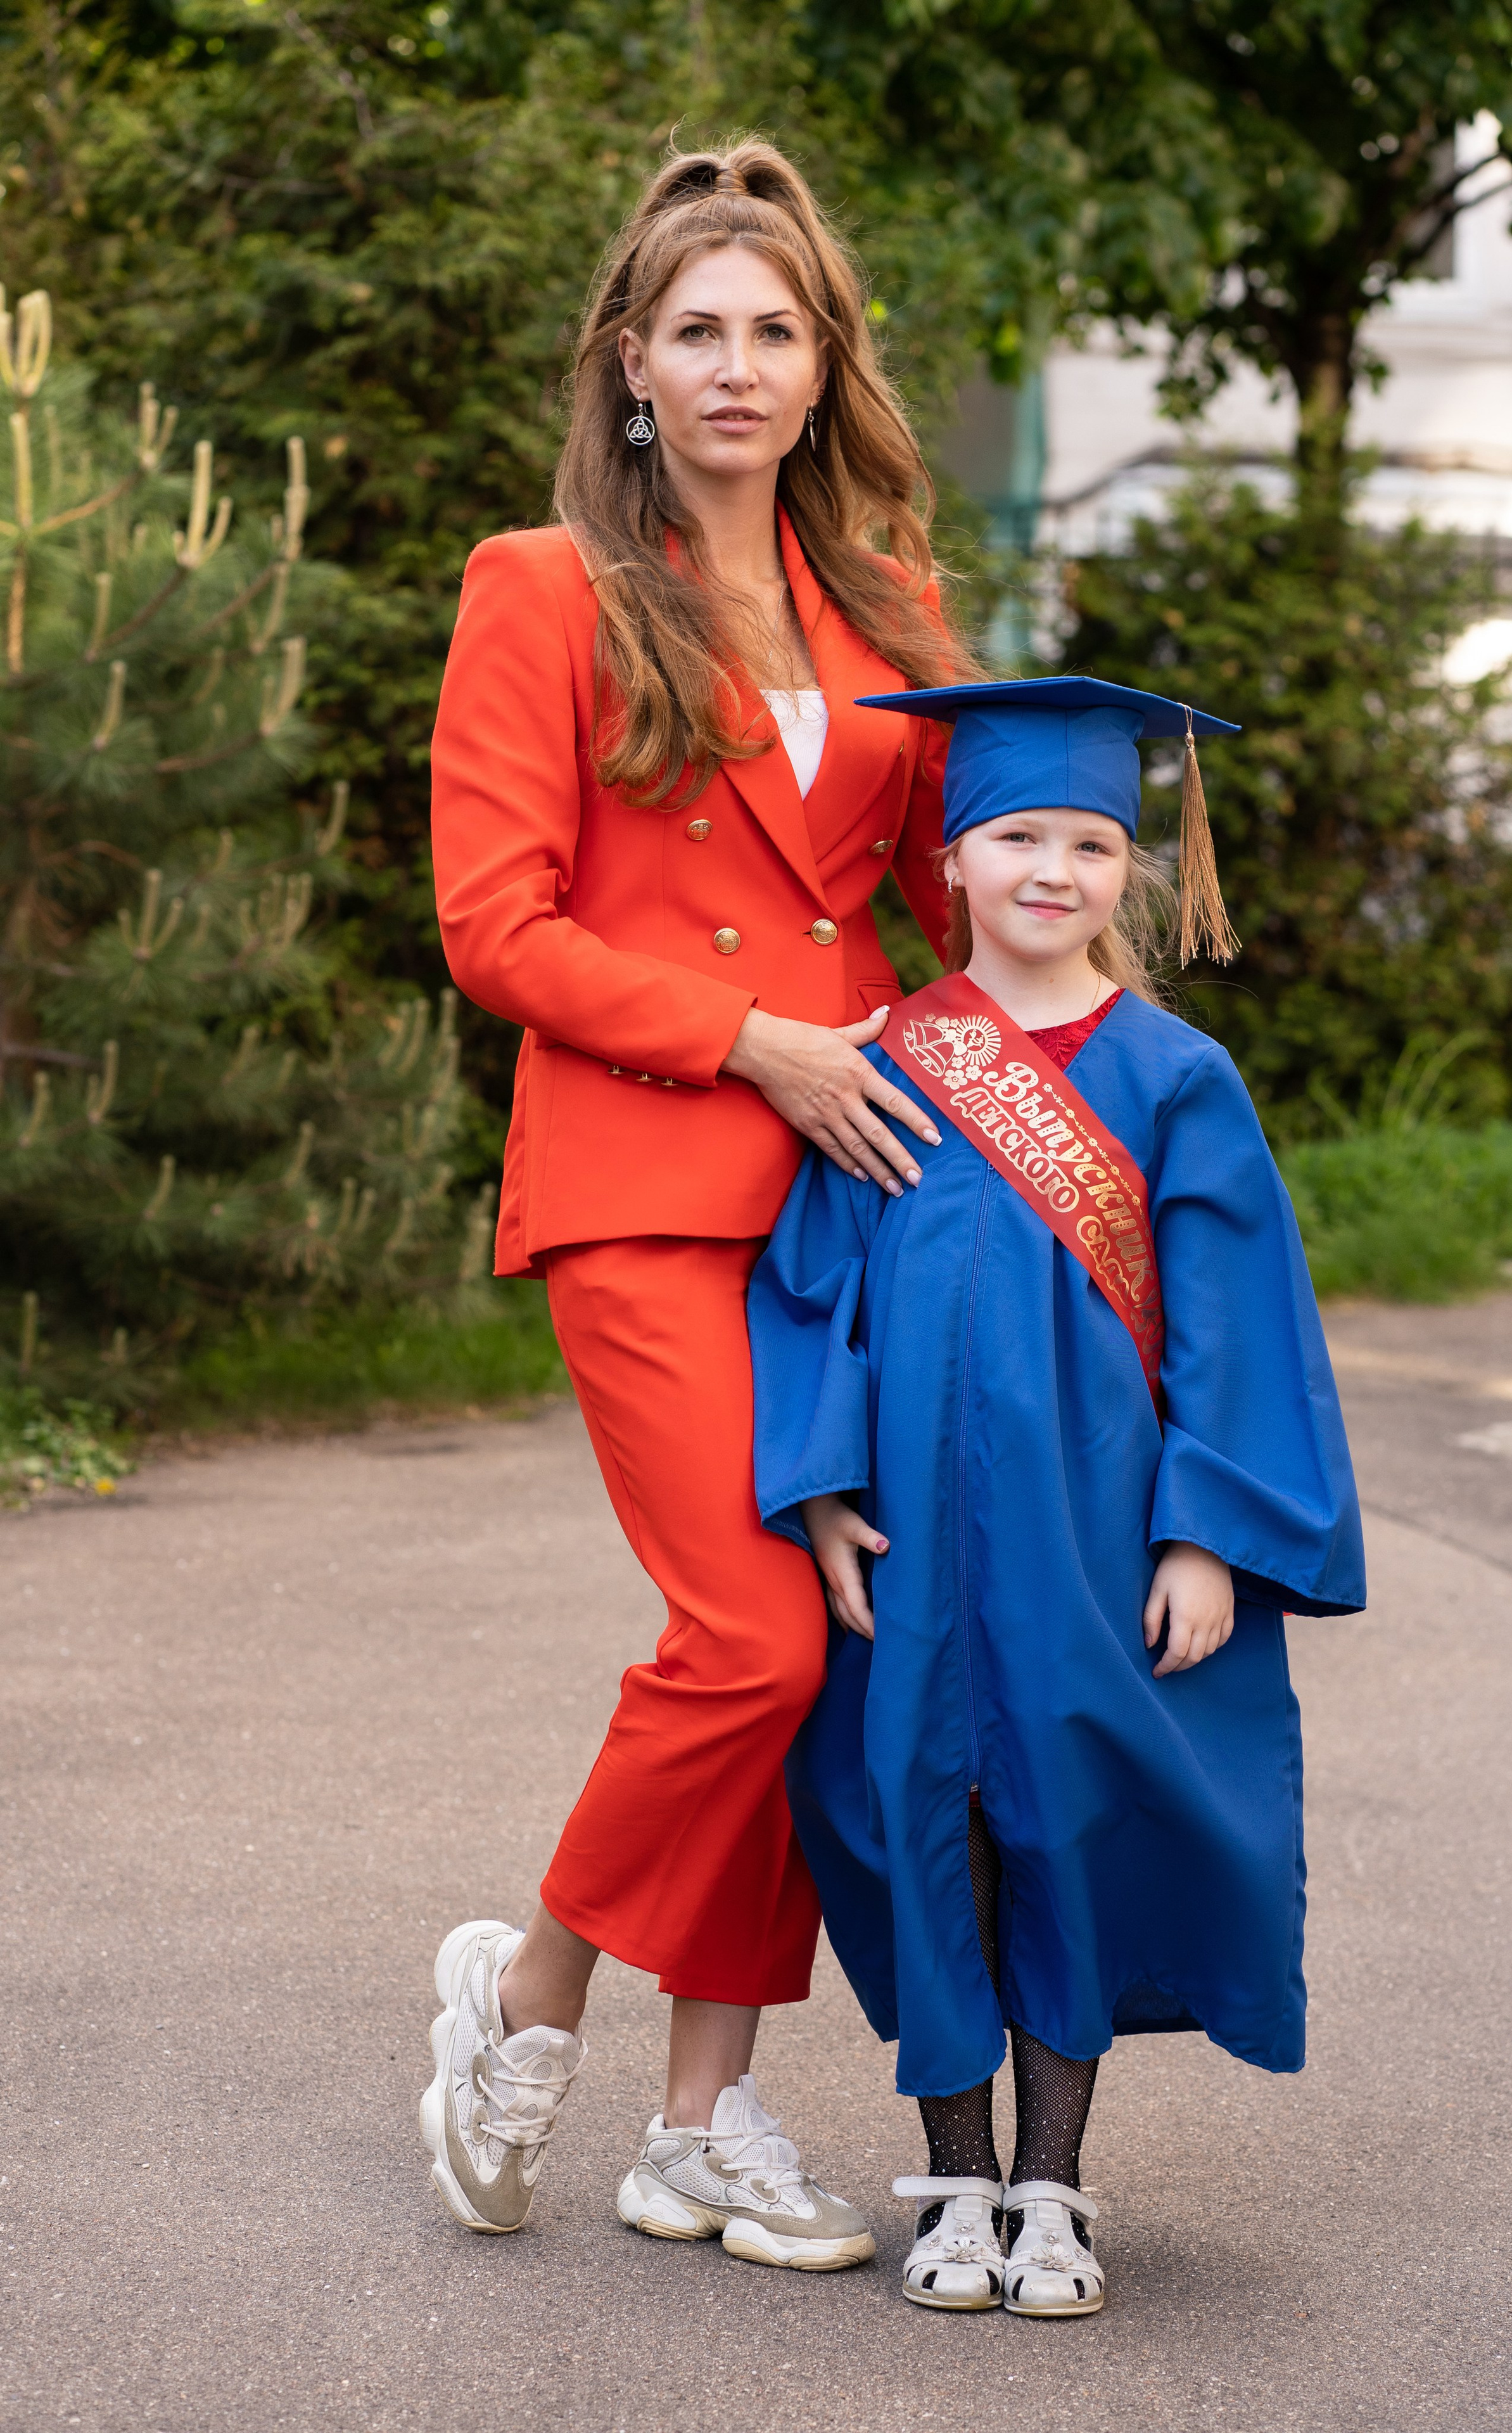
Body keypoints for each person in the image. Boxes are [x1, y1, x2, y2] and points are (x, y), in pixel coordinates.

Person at [421, 137, 979, 2268]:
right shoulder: (541, 585)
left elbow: (937, 893)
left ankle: (699, 2119)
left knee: (813, 1657)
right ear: (631, 367)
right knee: (743, 1635)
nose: (740, 367)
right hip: (659, 1169)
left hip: (865, 1199)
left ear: (827, 364)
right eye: (700, 332)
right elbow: (498, 923)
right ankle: (527, 1986)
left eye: (780, 330)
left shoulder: (893, 605)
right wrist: (753, 1044)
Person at [746, 675, 1366, 2315]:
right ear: (952, 858)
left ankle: (1053, 2191)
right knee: (928, 1825)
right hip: (918, 1544)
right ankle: (952, 2183)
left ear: (1128, 871)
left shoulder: (1176, 1079)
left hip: (1095, 1544)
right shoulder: (887, 1061)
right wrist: (816, 1496)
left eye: (1092, 842)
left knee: (1069, 1834)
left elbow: (1242, 1333)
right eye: (1019, 834)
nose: (1053, 869)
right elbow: (818, 1289)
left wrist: (1209, 1535)